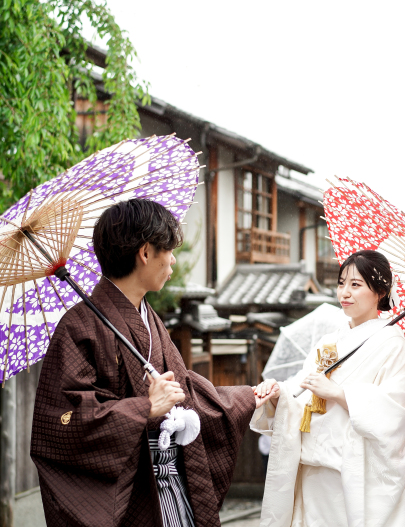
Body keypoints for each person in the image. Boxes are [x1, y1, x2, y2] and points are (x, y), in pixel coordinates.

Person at [30, 199, 267, 527]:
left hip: (171, 485)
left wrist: (248, 397)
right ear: (145, 253)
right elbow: (66, 423)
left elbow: (186, 391)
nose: (172, 261)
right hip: (130, 497)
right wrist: (144, 408)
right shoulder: (78, 327)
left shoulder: (150, 320)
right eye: (168, 250)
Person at [252, 250, 405, 527]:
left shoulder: (391, 342)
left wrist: (339, 394)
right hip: (311, 467)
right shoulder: (329, 341)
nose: (345, 292)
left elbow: (399, 410)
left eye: (356, 285)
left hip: (352, 473)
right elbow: (303, 393)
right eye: (341, 282)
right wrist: (278, 394)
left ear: (380, 291)